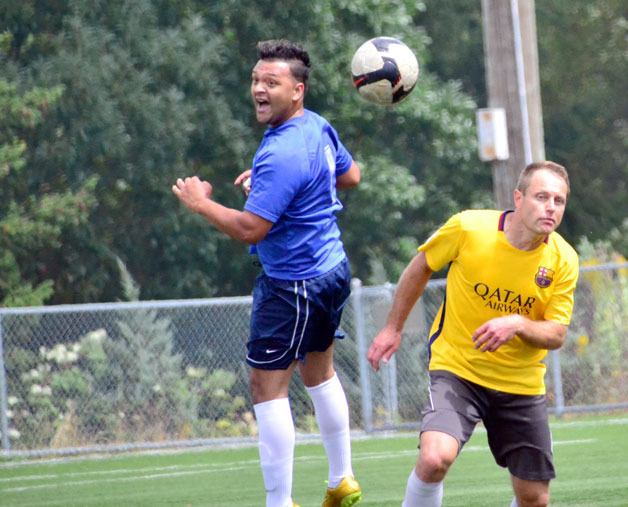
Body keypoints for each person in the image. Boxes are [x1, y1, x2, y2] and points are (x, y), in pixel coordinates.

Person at [172, 39, 362, 507]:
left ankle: (280, 503)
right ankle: (343, 480)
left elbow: (250, 229)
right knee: (319, 372)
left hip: (292, 283)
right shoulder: (315, 127)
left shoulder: (282, 154)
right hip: (332, 269)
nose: (258, 88)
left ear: (297, 90)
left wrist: (201, 203)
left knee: (266, 386)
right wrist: (279, 185)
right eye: (256, 80)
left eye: (270, 82)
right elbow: (349, 175)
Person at [367, 161, 579, 507]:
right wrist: (392, 327)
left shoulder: (564, 259)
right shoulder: (469, 227)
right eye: (542, 197)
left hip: (520, 384)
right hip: (458, 370)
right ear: (518, 198)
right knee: (435, 458)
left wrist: (518, 324)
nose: (551, 207)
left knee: (535, 498)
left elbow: (556, 334)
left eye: (559, 200)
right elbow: (421, 266)